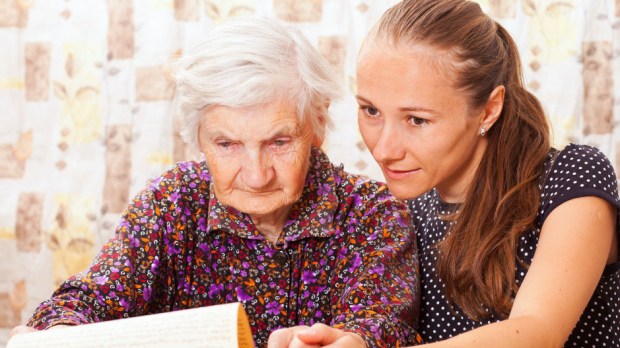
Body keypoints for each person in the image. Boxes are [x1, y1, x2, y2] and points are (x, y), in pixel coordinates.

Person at [8, 17, 422, 348]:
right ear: (199, 139)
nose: (257, 175)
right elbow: (92, 297)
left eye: (279, 142)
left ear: (317, 124)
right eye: (227, 144)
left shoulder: (373, 213)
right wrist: (57, 333)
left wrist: (352, 342)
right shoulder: (170, 202)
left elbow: (382, 324)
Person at [352, 0, 618, 346]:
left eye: (417, 120)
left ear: (489, 110)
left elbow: (538, 330)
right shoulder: (403, 213)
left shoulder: (571, 178)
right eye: (370, 110)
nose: (384, 149)